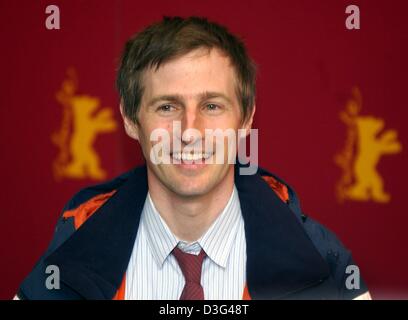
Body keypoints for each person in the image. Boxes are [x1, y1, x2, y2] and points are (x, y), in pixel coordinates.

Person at [16, 16, 371, 300]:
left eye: (211, 106)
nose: (190, 130)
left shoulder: (324, 265)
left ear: (246, 118)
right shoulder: (69, 258)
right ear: (129, 118)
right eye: (167, 106)